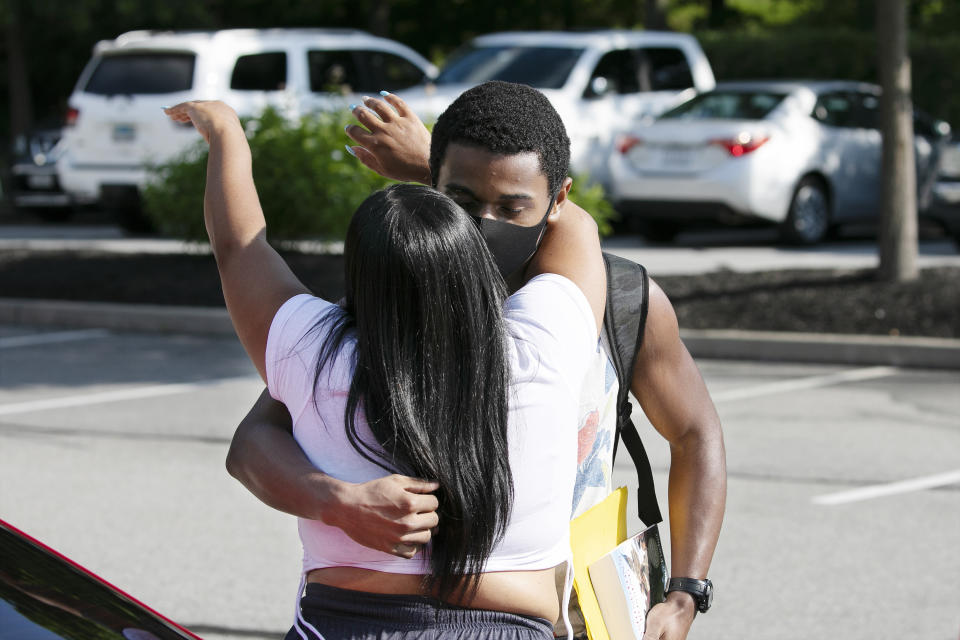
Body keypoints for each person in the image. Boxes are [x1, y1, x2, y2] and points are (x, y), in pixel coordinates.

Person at [226, 82, 727, 640]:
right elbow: (253, 443)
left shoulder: (622, 298)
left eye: (513, 208)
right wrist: (338, 500)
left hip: (578, 614)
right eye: (461, 202)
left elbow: (694, 433)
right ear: (432, 192)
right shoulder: (398, 296)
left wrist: (685, 592)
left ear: (556, 199)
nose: (483, 225)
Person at [163, 98, 608, 639]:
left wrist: (224, 129)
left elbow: (236, 245)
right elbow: (568, 222)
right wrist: (434, 167)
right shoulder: (545, 347)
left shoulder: (315, 353)